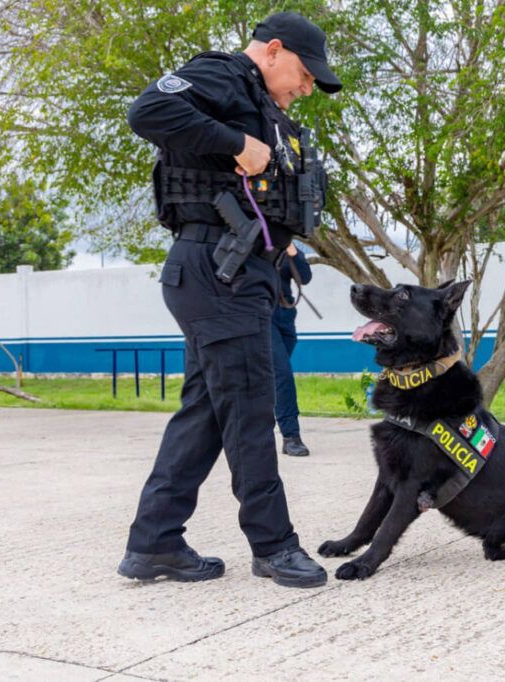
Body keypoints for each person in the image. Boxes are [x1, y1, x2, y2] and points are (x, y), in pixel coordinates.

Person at [117, 12, 342, 588]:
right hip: (219, 269)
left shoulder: (263, 101)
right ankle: (273, 546)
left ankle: (154, 543)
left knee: (206, 413)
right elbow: (148, 110)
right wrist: (236, 141)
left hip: (238, 271)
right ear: (272, 50)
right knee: (247, 408)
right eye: (305, 72)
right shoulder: (223, 75)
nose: (308, 86)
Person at [273, 242, 313, 457]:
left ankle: (257, 426)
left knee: (271, 377)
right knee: (282, 374)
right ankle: (291, 436)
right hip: (262, 316)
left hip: (286, 316)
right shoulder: (253, 243)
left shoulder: (286, 247)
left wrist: (292, 251)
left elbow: (304, 277)